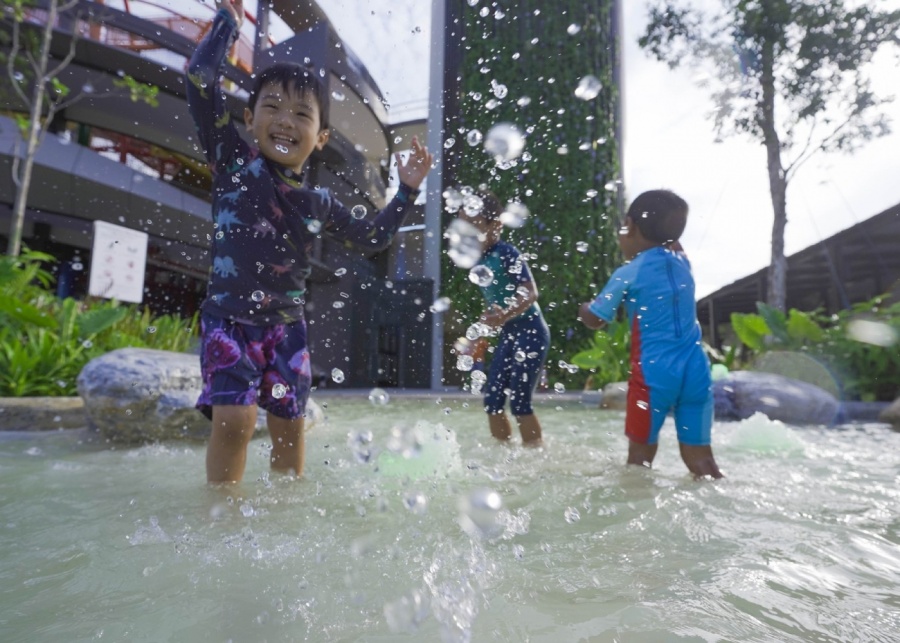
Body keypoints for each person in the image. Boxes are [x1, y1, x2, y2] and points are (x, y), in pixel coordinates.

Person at [186, 0, 433, 483]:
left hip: (286, 330)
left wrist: (405, 190)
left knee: (289, 428)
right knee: (234, 422)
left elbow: (375, 237)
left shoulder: (317, 203)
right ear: (250, 117)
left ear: (320, 138)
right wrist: (225, 26)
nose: (285, 120)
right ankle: (221, 513)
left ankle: (285, 513)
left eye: (302, 114)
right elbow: (199, 81)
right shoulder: (231, 160)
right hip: (229, 320)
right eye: (272, 107)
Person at [578, 189, 723, 479]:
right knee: (702, 461)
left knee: (639, 460)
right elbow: (673, 242)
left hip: (653, 376)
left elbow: (595, 320)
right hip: (696, 370)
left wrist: (584, 309)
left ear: (629, 226)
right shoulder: (683, 263)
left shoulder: (629, 272)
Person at [462, 188, 550, 446]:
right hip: (511, 332)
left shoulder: (507, 253)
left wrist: (505, 314)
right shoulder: (481, 259)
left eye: (474, 225)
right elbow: (494, 307)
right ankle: (503, 455)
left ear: (496, 225)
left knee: (520, 401)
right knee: (492, 399)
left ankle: (535, 454)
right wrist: (480, 332)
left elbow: (531, 292)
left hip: (531, 331)